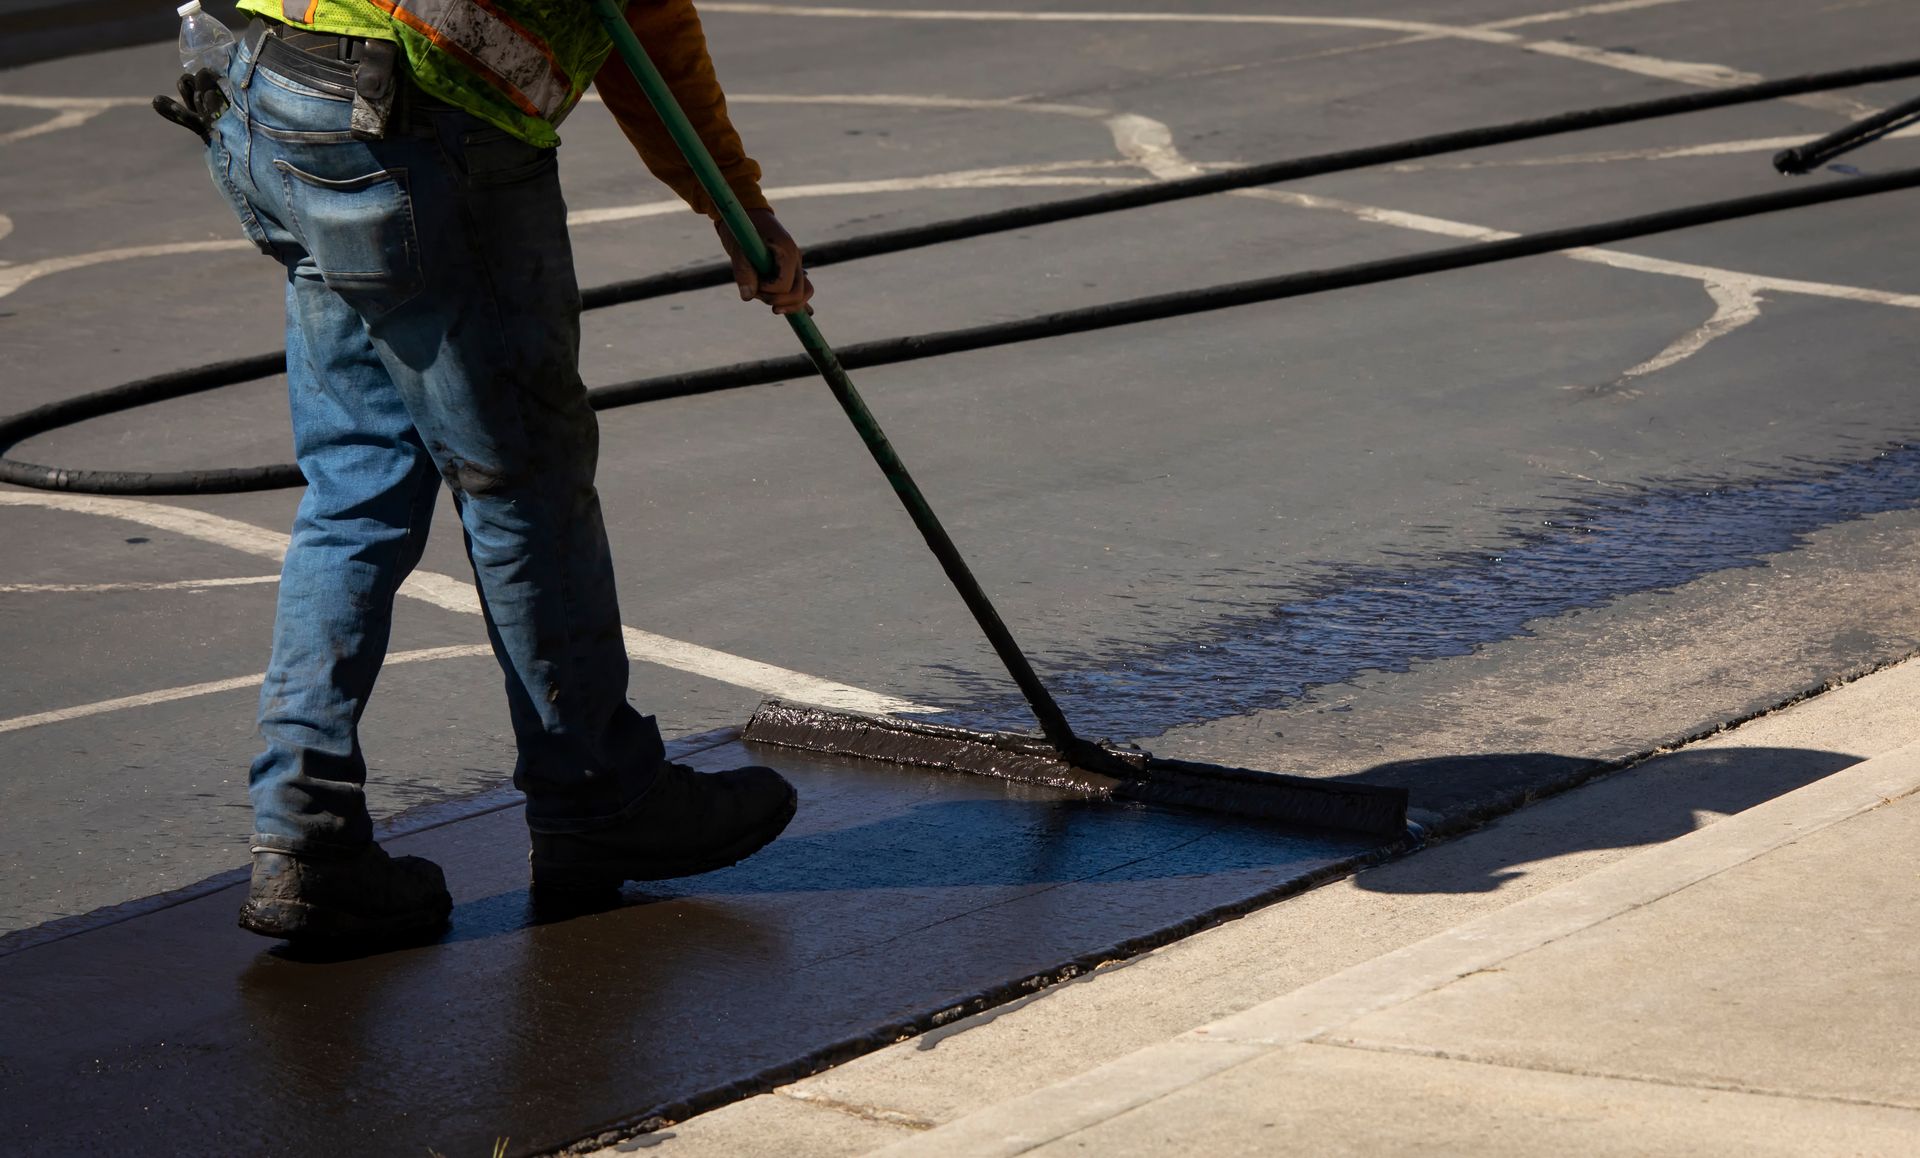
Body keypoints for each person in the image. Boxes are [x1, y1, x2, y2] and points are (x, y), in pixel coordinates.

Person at [154, 0, 811, 943]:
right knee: (523, 483)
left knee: (357, 485)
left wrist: (730, 199)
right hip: (423, 127)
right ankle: (597, 796)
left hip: (276, 86)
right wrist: (738, 204)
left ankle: (306, 836)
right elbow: (650, 29)